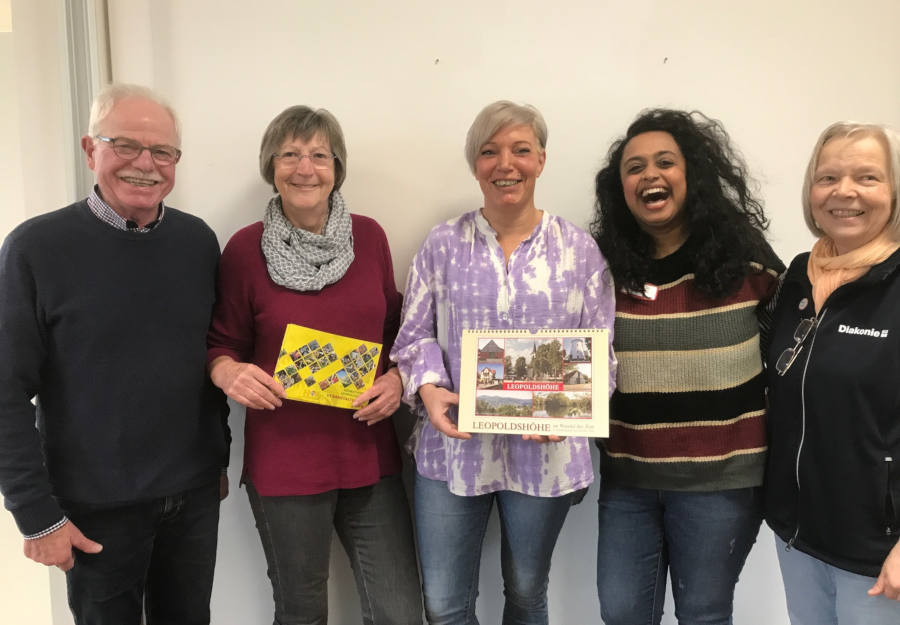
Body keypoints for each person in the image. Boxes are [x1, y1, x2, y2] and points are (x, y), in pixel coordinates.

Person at [0, 83, 230, 624]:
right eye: (125, 145)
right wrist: (36, 516)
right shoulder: (36, 249)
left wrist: (215, 456)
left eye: (163, 152)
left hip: (192, 495)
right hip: (95, 508)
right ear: (90, 149)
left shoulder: (197, 243)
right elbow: (5, 391)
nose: (145, 165)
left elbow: (205, 356)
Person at [391, 100, 616, 625]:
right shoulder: (442, 243)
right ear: (476, 165)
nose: (505, 164)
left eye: (520, 150)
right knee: (445, 606)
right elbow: (413, 336)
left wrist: (568, 409)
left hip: (547, 456)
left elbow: (602, 348)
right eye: (489, 152)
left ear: (541, 160)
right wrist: (427, 387)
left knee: (526, 593)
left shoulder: (578, 249)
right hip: (452, 451)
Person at [207, 105, 422, 624]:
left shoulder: (369, 238)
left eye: (319, 155)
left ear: (337, 167)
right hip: (285, 465)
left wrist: (396, 379)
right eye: (290, 155)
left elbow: (397, 333)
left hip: (370, 459)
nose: (305, 168)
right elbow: (220, 345)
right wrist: (230, 373)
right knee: (301, 613)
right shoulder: (243, 249)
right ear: (271, 166)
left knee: (399, 613)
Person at [590, 109, 783, 625]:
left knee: (703, 613)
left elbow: (789, 350)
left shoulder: (746, 259)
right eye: (634, 167)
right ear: (620, 188)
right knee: (623, 613)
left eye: (664, 162)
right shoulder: (600, 268)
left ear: (691, 175)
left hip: (722, 482)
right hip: (629, 478)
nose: (649, 175)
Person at [765, 122, 900, 623]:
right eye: (828, 178)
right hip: (796, 535)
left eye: (867, 177)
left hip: (877, 554)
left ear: (894, 191)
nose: (844, 192)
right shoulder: (798, 276)